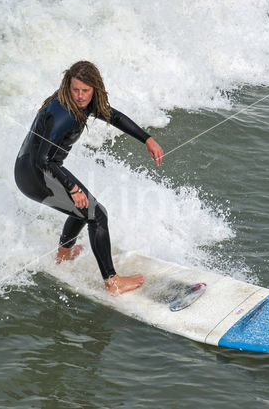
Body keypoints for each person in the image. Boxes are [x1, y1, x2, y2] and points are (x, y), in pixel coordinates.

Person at [14, 61, 164, 295]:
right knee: (96, 214)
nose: (81, 96)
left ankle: (63, 256)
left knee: (83, 207)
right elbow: (43, 160)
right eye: (75, 90)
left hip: (34, 167)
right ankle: (112, 282)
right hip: (34, 173)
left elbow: (112, 116)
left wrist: (147, 139)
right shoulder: (62, 115)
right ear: (67, 86)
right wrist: (72, 187)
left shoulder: (83, 103)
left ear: (95, 88)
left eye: (86, 90)